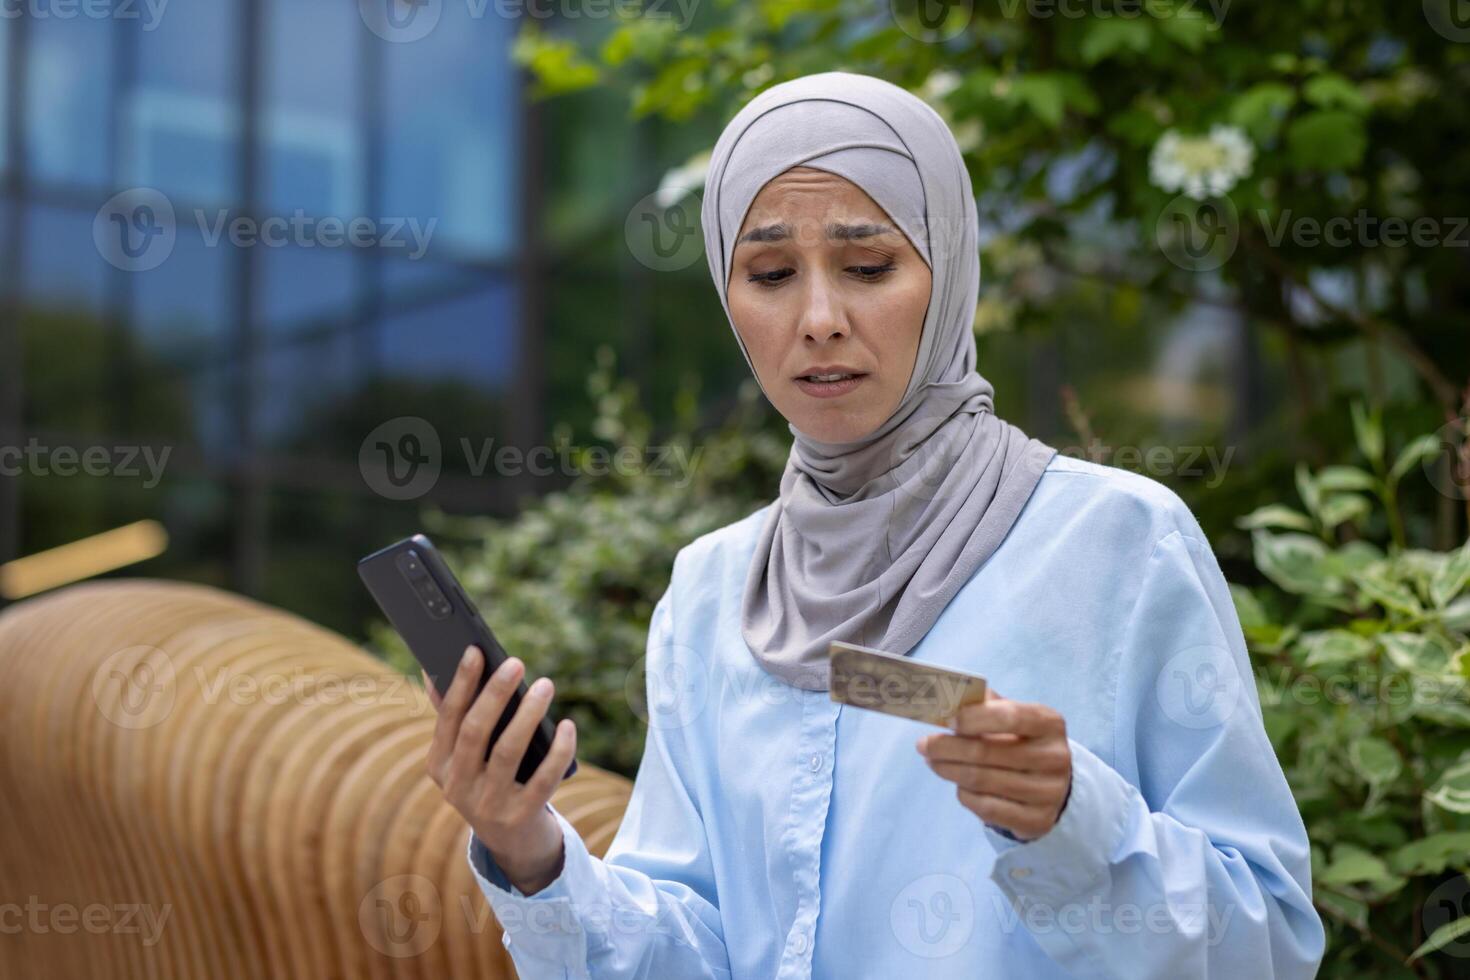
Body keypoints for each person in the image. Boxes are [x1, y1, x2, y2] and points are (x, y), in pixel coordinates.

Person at [422, 71, 1325, 978]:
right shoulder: (709, 592)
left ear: (950, 273)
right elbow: (701, 948)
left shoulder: (1117, 543)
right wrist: (528, 848)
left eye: (868, 267)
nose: (818, 320)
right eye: (770, 274)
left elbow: (1273, 945)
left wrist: (1075, 821)